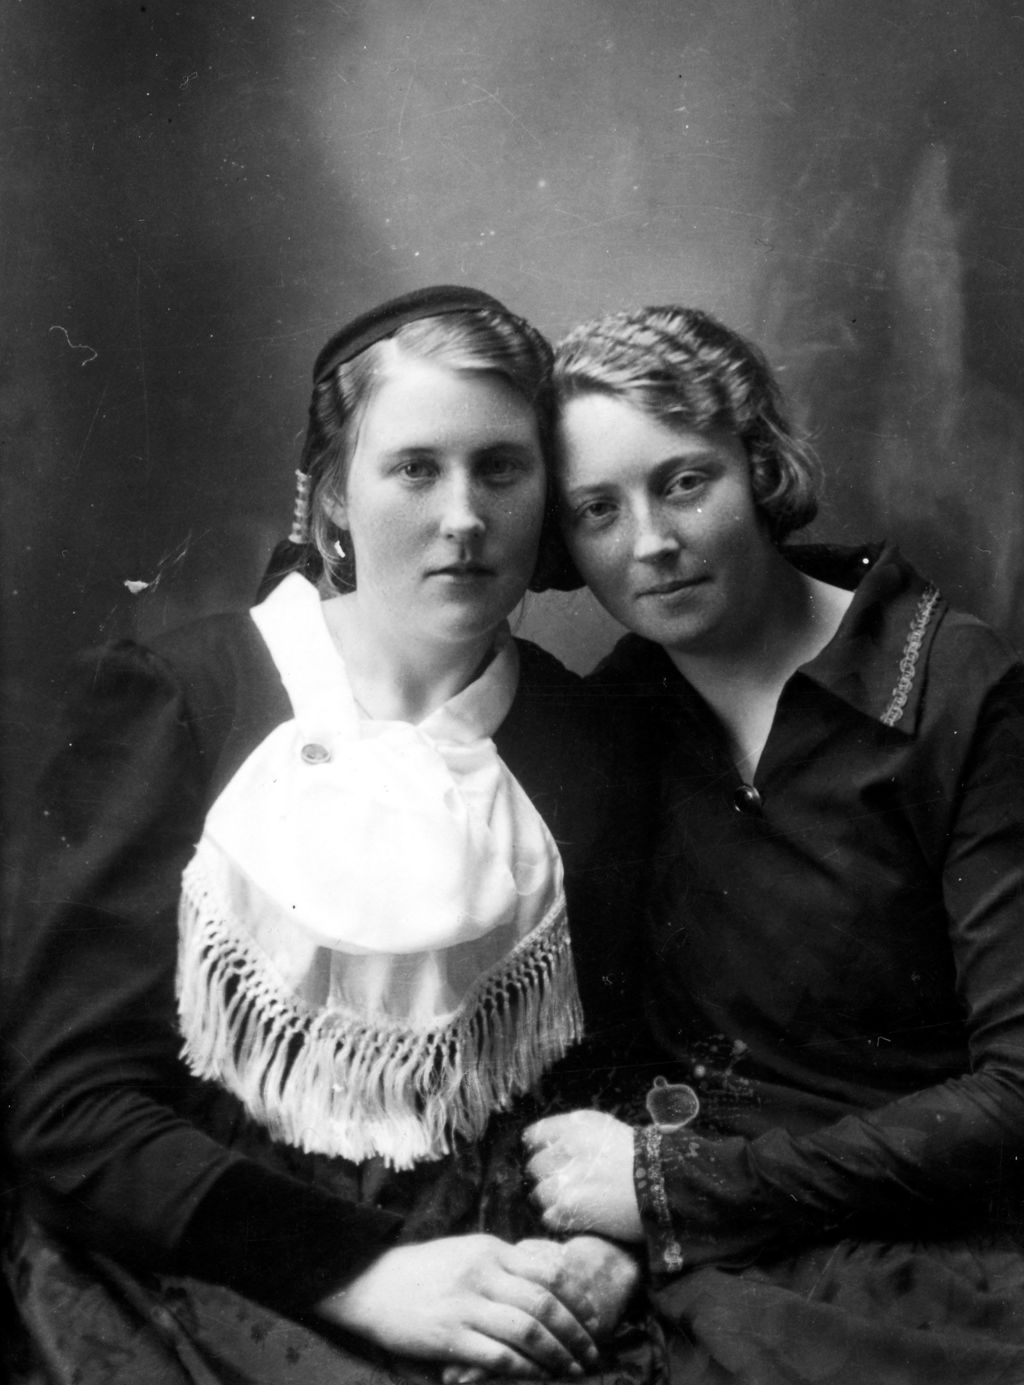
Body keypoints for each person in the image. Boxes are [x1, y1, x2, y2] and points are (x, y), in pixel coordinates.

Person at [1, 286, 647, 1385]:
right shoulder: (183, 699)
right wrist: (367, 1274)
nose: (464, 516)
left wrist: (603, 1252)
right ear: (334, 494)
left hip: (503, 1259)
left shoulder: (584, 738)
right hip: (209, 1252)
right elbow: (66, 1101)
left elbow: (627, 1064)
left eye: (501, 468)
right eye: (415, 468)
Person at [524, 304, 1024, 1383]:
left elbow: (1016, 1094)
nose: (650, 543)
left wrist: (674, 1194)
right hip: (707, 1251)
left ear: (758, 466)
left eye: (684, 482)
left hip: (940, 1246)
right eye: (598, 510)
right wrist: (624, 1232)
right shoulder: (620, 712)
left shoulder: (954, 689)